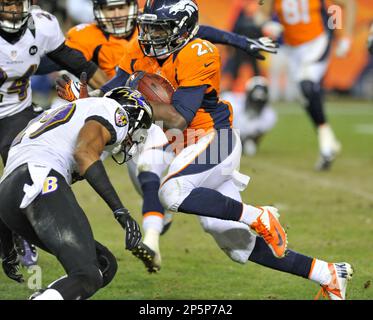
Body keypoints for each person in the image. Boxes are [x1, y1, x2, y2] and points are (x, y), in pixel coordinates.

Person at [59, 0, 353, 300]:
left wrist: (137, 98)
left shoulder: (198, 53)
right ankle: (327, 273)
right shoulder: (140, 49)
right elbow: (113, 88)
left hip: (215, 139)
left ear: (183, 30)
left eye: (160, 29)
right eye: (148, 27)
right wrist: (86, 97)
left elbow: (178, 117)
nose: (150, 36)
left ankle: (257, 215)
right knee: (238, 246)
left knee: (171, 192)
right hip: (183, 146)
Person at [0, 86, 152, 300]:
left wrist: (7, 249)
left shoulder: (61, 115)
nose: (134, 139)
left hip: (8, 195)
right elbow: (84, 153)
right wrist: (121, 211)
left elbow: (16, 180)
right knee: (87, 275)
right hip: (39, 179)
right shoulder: (113, 111)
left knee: (102, 264)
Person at [0, 0, 107, 266]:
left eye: (17, 4)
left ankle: (23, 232)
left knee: (28, 171)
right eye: (5, 4)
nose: (13, 11)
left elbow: (75, 61)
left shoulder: (42, 26)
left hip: (16, 114)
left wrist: (109, 94)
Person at [257, 0, 356, 170]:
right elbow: (260, 14)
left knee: (307, 85)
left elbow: (348, 4)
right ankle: (328, 140)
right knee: (305, 96)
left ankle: (326, 142)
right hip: (291, 50)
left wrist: (346, 36)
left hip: (316, 43)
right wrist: (267, 25)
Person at [221, 76, 277, 156]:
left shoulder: (269, 116)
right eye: (254, 102)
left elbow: (256, 137)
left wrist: (247, 141)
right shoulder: (233, 104)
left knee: (249, 148)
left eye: (259, 102)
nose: (256, 105)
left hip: (242, 138)